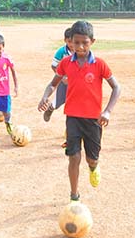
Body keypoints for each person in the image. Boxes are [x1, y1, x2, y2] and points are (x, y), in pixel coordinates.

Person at [38, 20, 121, 203]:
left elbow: (116, 88)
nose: (80, 47)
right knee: (73, 157)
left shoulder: (100, 64)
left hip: (93, 121)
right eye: (76, 43)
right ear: (70, 42)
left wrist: (107, 111)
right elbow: (53, 84)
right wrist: (45, 96)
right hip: (73, 118)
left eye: (85, 42)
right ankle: (74, 196)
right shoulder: (66, 63)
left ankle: (93, 167)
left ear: (93, 41)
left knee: (92, 159)